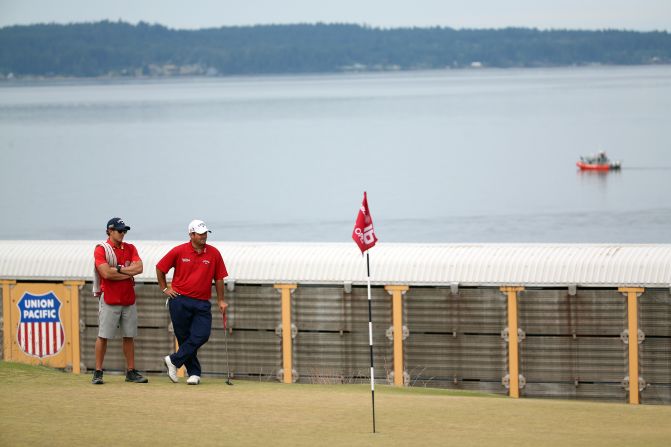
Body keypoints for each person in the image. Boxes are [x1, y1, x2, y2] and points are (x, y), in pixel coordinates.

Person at [156, 219, 228, 385]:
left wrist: (221, 300)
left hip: (202, 302)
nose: (204, 237)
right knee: (184, 338)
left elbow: (219, 278)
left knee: (202, 335)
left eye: (205, 234)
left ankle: (173, 360)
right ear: (191, 235)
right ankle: (194, 373)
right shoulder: (179, 251)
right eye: (200, 234)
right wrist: (164, 288)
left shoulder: (214, 253)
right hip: (179, 300)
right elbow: (160, 268)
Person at [91, 217, 147, 384]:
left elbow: (140, 268)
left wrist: (119, 269)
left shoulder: (130, 248)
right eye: (119, 230)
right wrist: (128, 272)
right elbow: (106, 274)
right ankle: (98, 371)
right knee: (103, 336)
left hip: (128, 299)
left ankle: (130, 371)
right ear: (110, 230)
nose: (123, 233)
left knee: (129, 336)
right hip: (109, 299)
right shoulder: (102, 249)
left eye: (124, 231)